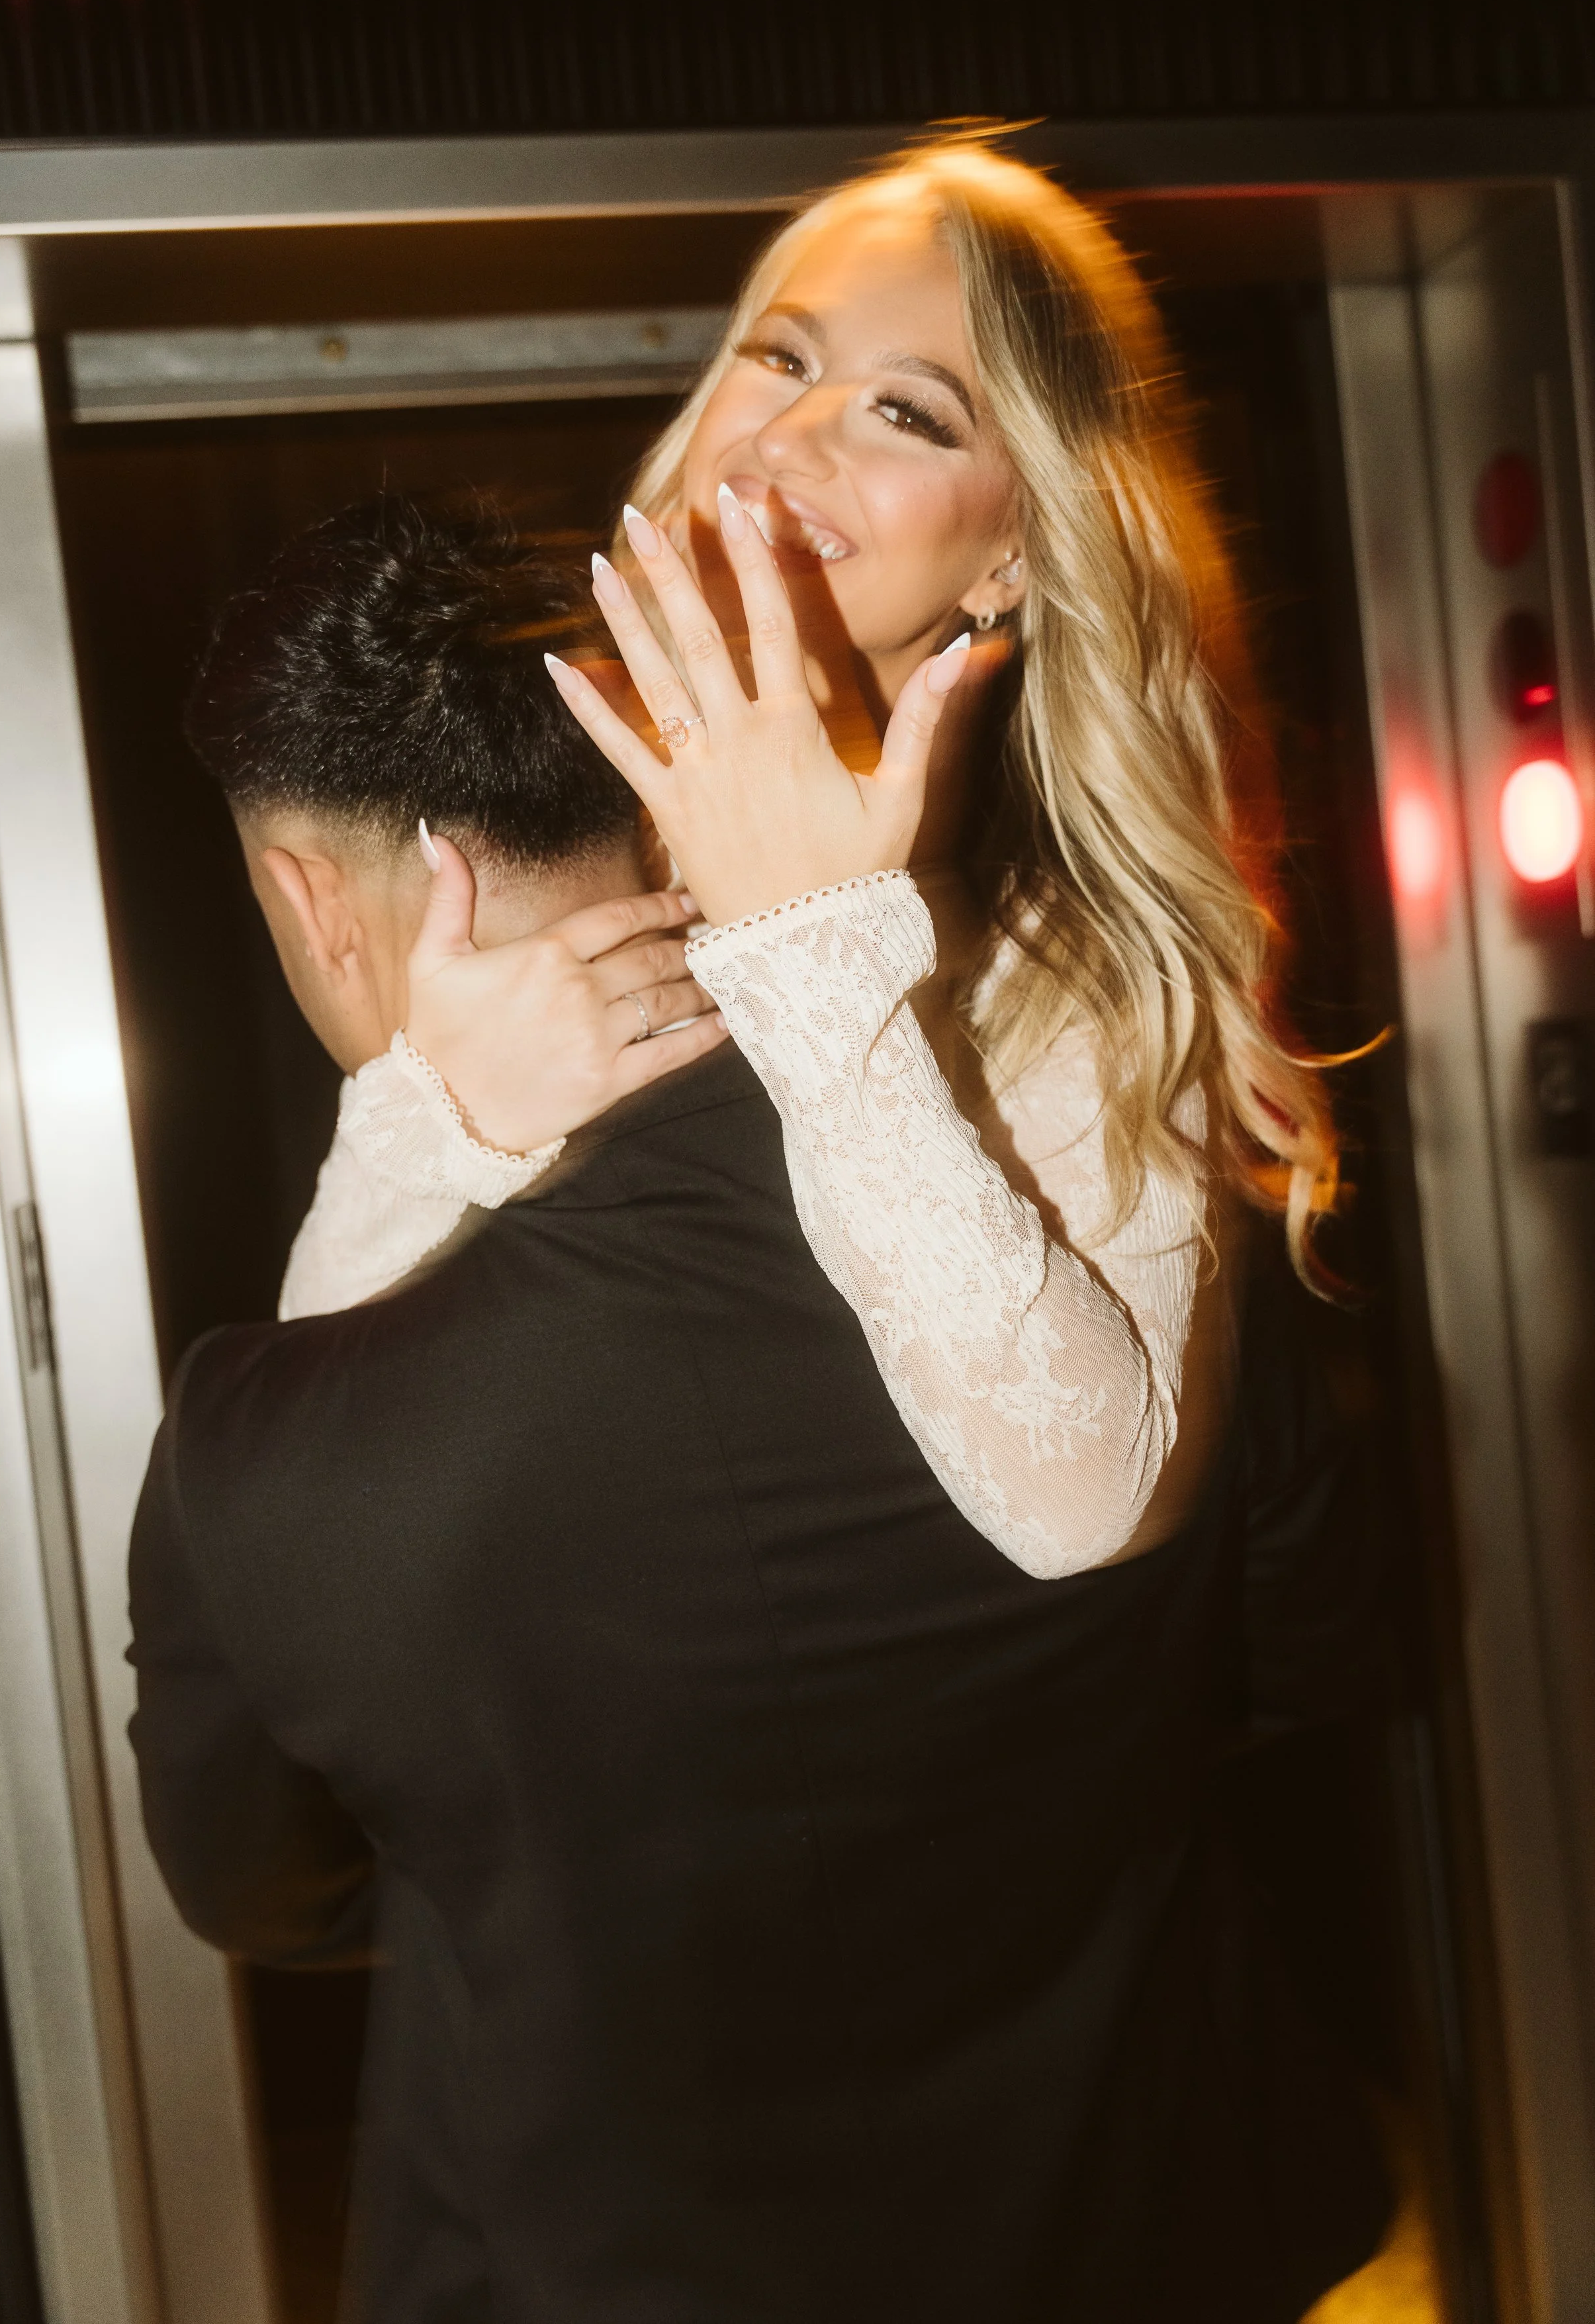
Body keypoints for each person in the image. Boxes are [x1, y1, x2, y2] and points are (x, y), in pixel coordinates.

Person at [132, 492, 1389, 2322]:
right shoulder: (1091, 1178)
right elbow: (1315, 1639)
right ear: (660, 805)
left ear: (313, 902)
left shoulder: (259, 1434)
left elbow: (262, 1891)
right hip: (1150, 2220)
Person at [279, 136, 1340, 1589]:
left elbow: (1082, 1508)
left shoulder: (1068, 980)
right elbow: (303, 1435)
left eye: (909, 410)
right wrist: (437, 1118)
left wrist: (813, 954)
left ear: (1014, 557)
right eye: (780, 358)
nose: (787, 436)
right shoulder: (516, 820)